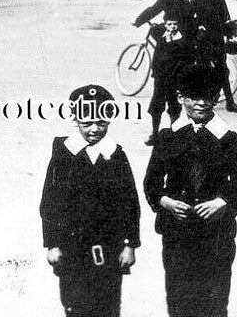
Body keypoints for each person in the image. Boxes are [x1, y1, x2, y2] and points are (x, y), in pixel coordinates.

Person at [144, 63, 237, 317]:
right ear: (181, 98)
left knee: (214, 299)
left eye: (208, 97)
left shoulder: (226, 138)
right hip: (177, 233)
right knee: (179, 298)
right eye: (193, 97)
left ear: (216, 99)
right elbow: (152, 181)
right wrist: (165, 201)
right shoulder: (169, 136)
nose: (201, 103)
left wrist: (222, 203)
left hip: (216, 234)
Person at [40, 84, 140, 317]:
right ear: (75, 120)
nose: (95, 129)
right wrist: (52, 243)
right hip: (71, 249)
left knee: (108, 305)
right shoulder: (63, 155)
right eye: (87, 124)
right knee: (74, 304)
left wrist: (129, 244)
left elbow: (130, 203)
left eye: (101, 123)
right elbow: (49, 203)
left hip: (109, 248)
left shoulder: (116, 156)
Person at [135, 0, 196, 144]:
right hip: (164, 73)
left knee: (165, 103)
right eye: (168, 24)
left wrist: (138, 22)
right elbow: (191, 20)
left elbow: (152, 10)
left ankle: (162, 134)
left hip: (172, 71)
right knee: (166, 103)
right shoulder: (184, 0)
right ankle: (161, 133)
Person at [190, 0, 237, 113]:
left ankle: (229, 102)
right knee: (202, 70)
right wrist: (197, 26)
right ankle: (202, 100)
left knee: (223, 70)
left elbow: (226, 19)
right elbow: (188, 19)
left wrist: (227, 35)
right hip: (202, 41)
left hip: (217, 41)